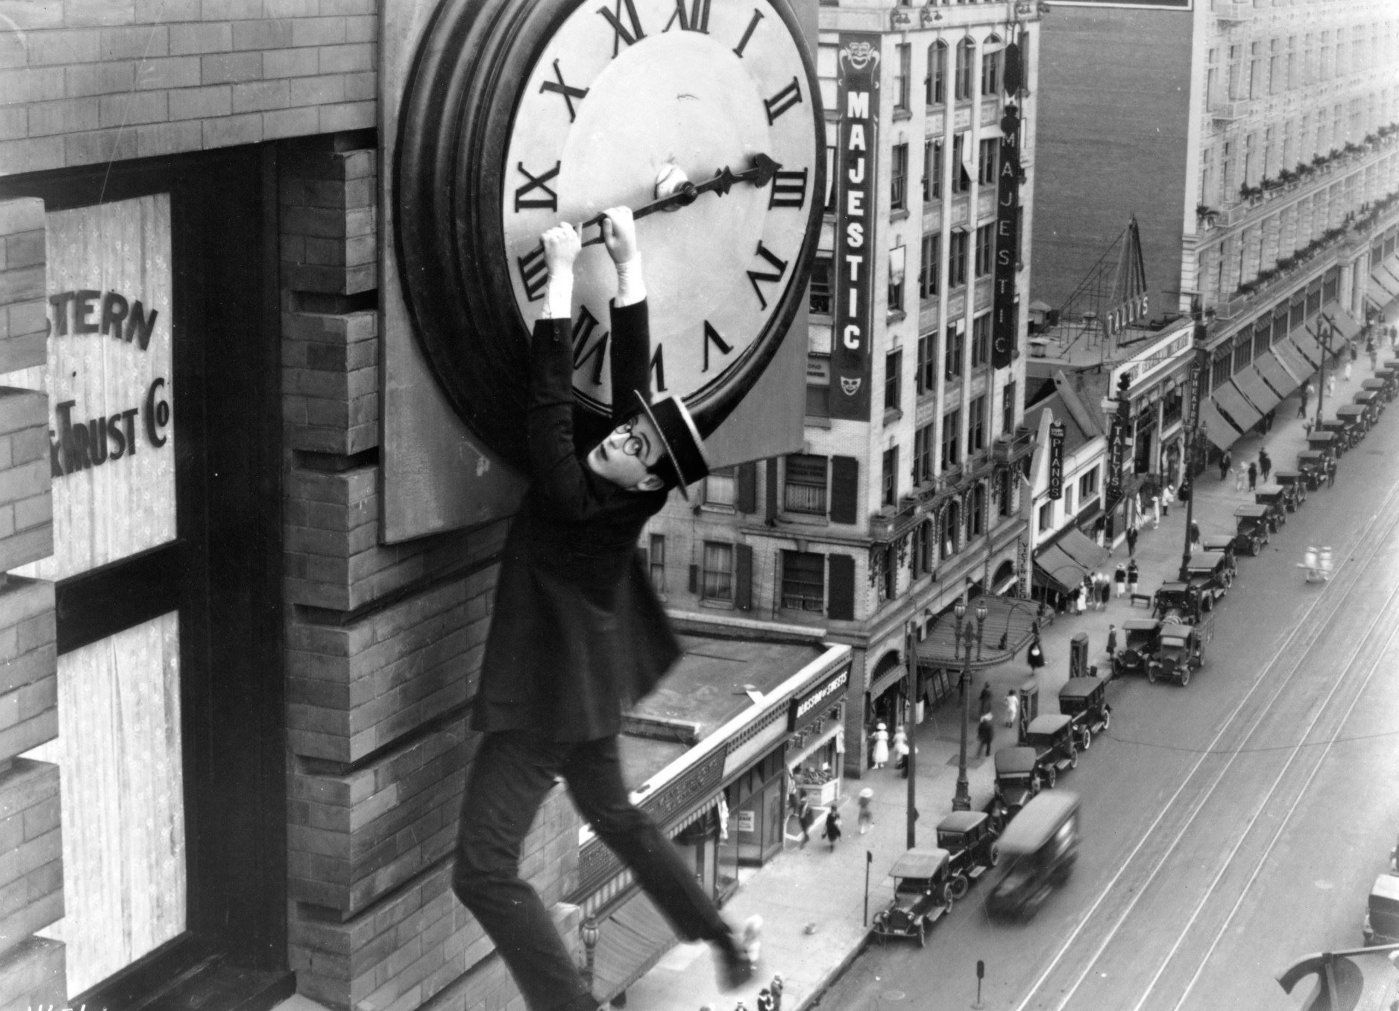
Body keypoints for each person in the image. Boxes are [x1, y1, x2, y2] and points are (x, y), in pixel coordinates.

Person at [451, 209, 761, 1008]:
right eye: (628, 434)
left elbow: (548, 405)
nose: (619, 440)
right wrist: (628, 267)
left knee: (481, 869)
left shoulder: (574, 498)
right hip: (585, 689)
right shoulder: (629, 491)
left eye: (636, 449)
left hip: (545, 704)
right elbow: (633, 396)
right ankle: (720, 935)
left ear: (647, 481)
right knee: (616, 815)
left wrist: (559, 277)